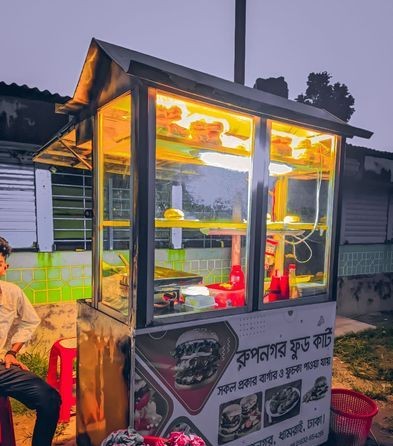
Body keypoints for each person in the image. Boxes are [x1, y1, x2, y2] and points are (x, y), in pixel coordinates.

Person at [0, 236, 61, 446]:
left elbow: (29, 321)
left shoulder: (12, 292)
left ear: (4, 267)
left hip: (1, 368)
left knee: (50, 399)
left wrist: (12, 352)